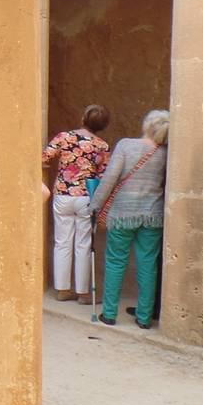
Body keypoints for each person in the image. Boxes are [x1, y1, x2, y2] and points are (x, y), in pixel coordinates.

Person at [89, 110, 170, 329]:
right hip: (153, 214)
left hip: (123, 213)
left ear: (146, 125)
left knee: (115, 261)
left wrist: (95, 205)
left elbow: (110, 179)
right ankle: (144, 317)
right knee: (148, 265)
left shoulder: (126, 145)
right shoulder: (166, 152)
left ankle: (110, 313)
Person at [41, 104, 112, 304]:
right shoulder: (101, 146)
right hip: (85, 198)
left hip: (63, 194)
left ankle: (62, 289)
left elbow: (44, 156)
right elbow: (104, 174)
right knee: (83, 244)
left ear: (83, 118)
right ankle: (83, 293)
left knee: (62, 242)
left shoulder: (65, 137)